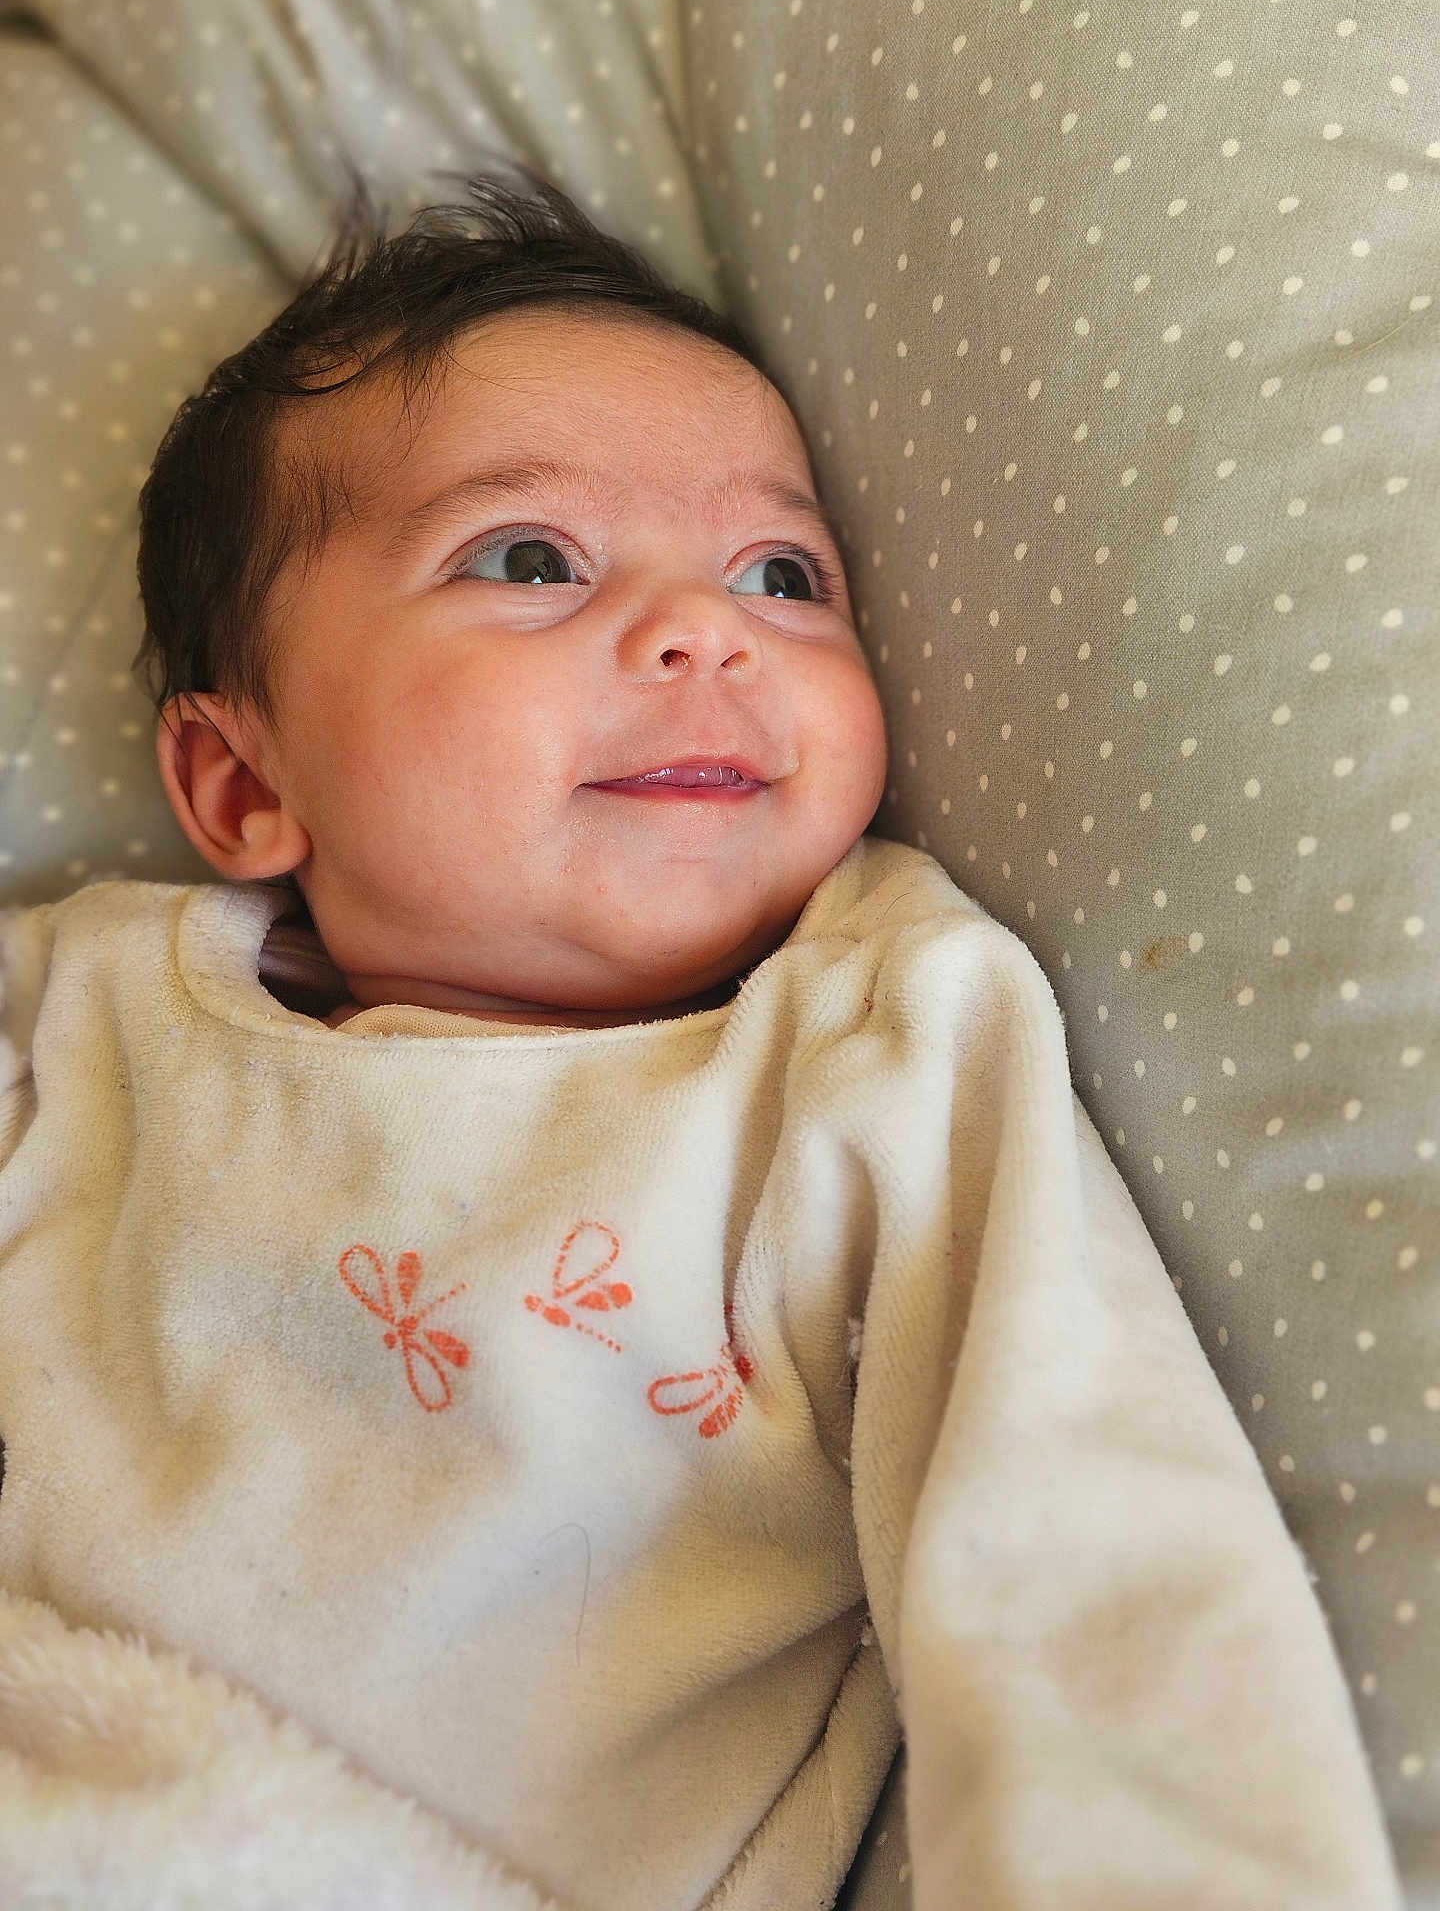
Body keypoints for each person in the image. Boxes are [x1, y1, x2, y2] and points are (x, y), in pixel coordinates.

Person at [0, 176, 1400, 1910]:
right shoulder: (90, 1018)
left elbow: (1090, 1543)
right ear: (244, 780)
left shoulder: (866, 1043)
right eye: (531, 559)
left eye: (783, 572)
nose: (706, 629)